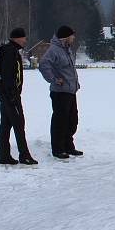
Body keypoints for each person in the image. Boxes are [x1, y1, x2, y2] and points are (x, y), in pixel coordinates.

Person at [0, 27, 37, 165]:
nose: (25, 40)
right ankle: (24, 155)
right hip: (10, 96)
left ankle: (4, 156)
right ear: (17, 38)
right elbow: (8, 77)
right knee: (19, 124)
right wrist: (13, 96)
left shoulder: (11, 51)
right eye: (23, 38)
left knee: (6, 124)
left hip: (6, 95)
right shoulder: (10, 52)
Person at [38, 25, 81, 159]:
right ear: (65, 37)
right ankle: (58, 149)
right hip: (60, 92)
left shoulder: (67, 50)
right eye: (72, 36)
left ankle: (68, 146)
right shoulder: (54, 50)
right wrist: (54, 80)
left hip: (71, 91)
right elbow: (43, 65)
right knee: (60, 121)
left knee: (72, 120)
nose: (73, 38)